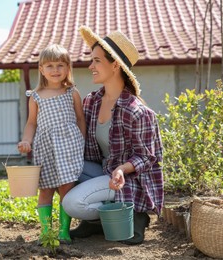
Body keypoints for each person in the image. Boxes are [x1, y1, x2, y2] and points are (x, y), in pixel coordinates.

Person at [62, 26, 164, 245]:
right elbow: (84, 147)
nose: (91, 66)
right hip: (104, 171)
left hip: (127, 179)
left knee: (72, 204)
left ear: (115, 64)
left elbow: (147, 158)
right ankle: (101, 220)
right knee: (61, 165)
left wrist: (121, 168)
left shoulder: (136, 111)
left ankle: (133, 214)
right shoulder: (92, 101)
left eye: (97, 61)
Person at [17, 44, 86, 245]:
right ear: (41, 69)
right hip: (45, 147)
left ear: (68, 68)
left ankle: (64, 231)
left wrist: (80, 141)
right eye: (50, 66)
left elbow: (80, 118)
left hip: (69, 146)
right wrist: (26, 141)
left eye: (60, 65)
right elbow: (32, 123)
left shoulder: (71, 92)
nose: (55, 70)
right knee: (46, 189)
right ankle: (46, 231)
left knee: (66, 188)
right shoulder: (35, 96)